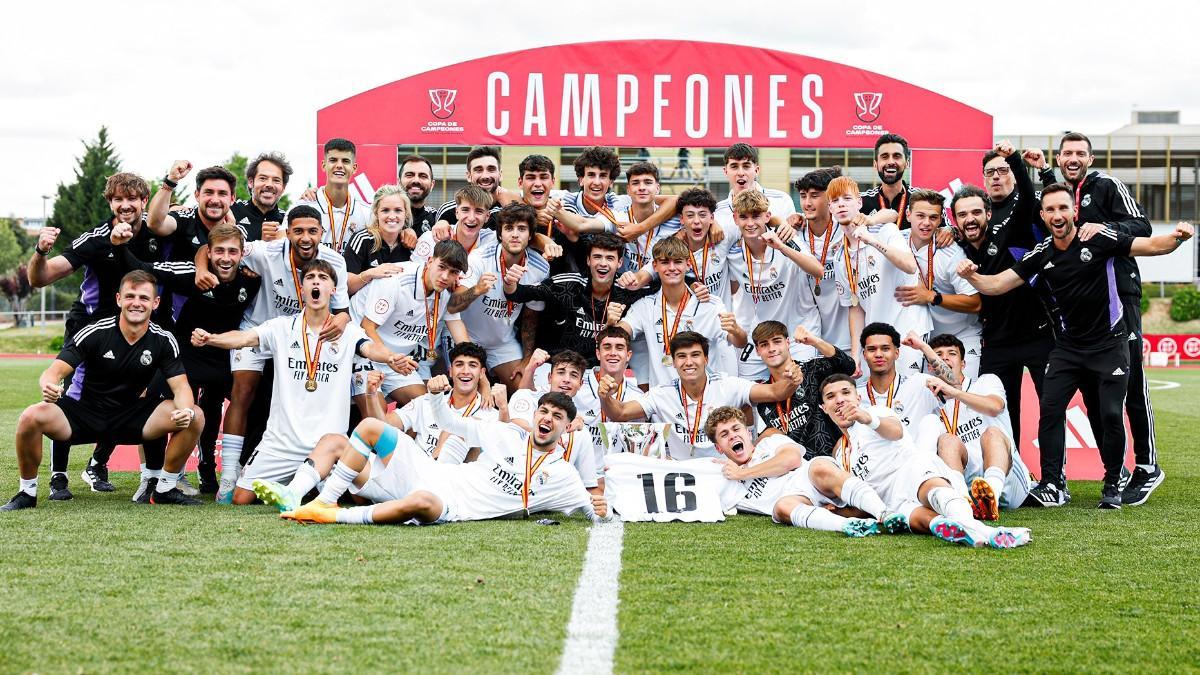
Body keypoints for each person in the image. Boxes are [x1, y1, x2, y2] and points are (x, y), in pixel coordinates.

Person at [957, 183, 1192, 509]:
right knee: (1050, 410)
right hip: (1068, 348)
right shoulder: (1042, 253)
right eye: (1050, 210)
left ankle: (1113, 483)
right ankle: (1053, 485)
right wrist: (972, 276)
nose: (1057, 215)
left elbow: (1151, 245)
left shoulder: (1098, 239)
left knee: (1110, 414)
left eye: (1062, 208)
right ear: (1043, 215)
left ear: (1073, 212)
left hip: (1110, 344)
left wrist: (1179, 236)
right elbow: (997, 284)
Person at [191, 259, 409, 506]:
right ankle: (302, 483)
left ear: (333, 290)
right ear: (302, 289)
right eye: (310, 278)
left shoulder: (348, 332)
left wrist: (390, 357)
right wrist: (212, 339)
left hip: (327, 442)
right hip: (281, 442)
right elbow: (243, 338)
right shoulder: (282, 327)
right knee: (241, 499)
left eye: (323, 278)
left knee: (363, 499)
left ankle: (309, 482)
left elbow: (369, 349)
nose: (316, 282)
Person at [1031, 132, 1161, 506]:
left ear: (1090, 157)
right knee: (1100, 397)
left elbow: (1143, 227)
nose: (1073, 158)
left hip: (1122, 296)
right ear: (1059, 158)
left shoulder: (1106, 185)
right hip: (1084, 315)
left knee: (1133, 382)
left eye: (1080, 153)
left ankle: (1148, 466)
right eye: (1067, 153)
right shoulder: (1061, 194)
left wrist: (1105, 229)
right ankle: (1113, 471)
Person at [4, 271, 204, 510]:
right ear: (119, 299)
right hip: (85, 414)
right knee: (30, 417)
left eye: (144, 297)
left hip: (132, 417)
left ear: (155, 303)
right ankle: (27, 493)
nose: (136, 303)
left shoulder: (163, 340)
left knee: (196, 416)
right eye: (130, 296)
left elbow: (181, 386)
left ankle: (165, 488)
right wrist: (49, 384)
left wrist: (185, 411)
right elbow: (54, 370)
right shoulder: (96, 332)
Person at [27, 172, 171, 500]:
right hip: (90, 331)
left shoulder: (157, 231)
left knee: (130, 399)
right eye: (118, 199)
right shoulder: (95, 238)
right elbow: (41, 278)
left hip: (136, 333)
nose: (125, 205)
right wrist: (40, 251)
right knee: (71, 399)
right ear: (110, 202)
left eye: (132, 198)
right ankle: (58, 477)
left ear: (143, 201)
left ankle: (99, 464)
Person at [273, 393, 608, 525]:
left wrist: (602, 512)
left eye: (557, 416)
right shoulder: (504, 434)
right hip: (428, 470)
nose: (547, 418)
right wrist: (434, 397)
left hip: (449, 505)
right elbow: (451, 423)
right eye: (544, 411)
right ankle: (324, 501)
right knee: (371, 427)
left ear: (566, 427)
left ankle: (334, 518)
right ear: (536, 415)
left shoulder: (563, 474)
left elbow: (594, 512)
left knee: (422, 500)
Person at [109, 222, 259, 494]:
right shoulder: (192, 274)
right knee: (154, 406)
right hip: (182, 359)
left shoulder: (252, 278)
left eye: (232, 252)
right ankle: (152, 476)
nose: (226, 258)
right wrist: (119, 247)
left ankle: (215, 473)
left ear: (242, 254)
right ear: (209, 253)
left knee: (236, 408)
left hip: (223, 358)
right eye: (219, 252)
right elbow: (141, 268)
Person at [216, 205, 351, 502]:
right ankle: (228, 476)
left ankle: (311, 468)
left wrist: (342, 319)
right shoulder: (266, 250)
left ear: (322, 234)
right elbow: (217, 245)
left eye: (312, 231)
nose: (305, 238)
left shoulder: (334, 261)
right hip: (260, 326)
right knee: (243, 390)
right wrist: (202, 266)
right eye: (298, 231)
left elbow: (342, 311)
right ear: (287, 232)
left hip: (305, 329)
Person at [818, 373, 1031, 549]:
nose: (840, 400)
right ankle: (954, 529)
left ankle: (983, 530)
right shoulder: (840, 452)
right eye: (831, 396)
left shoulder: (874, 412)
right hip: (892, 502)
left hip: (910, 471)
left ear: (857, 398)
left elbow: (896, 431)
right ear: (824, 408)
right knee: (918, 518)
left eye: (846, 393)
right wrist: (837, 512)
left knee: (931, 487)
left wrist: (867, 418)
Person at [952, 172, 1052, 448]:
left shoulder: (1009, 233)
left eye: (975, 212)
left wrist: (1016, 162)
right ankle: (1014, 474)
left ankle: (1056, 480)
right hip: (996, 343)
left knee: (1051, 408)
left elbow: (1028, 200)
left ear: (988, 213)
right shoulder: (957, 250)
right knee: (1003, 412)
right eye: (962, 215)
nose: (969, 219)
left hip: (1037, 336)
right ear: (955, 220)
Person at [597, 331, 798, 459]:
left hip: (724, 470)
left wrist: (792, 381)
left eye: (695, 355)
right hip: (681, 472)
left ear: (706, 359)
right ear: (673, 363)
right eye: (681, 357)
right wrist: (605, 397)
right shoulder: (661, 393)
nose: (689, 362)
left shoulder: (727, 384)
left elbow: (774, 391)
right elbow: (620, 413)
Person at [707, 407, 900, 537]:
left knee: (819, 467)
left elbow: (791, 459)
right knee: (782, 507)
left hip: (813, 481)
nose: (733, 436)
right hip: (799, 503)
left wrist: (743, 473)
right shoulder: (725, 476)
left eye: (736, 429)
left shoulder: (768, 443)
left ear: (748, 433)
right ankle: (847, 526)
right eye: (724, 435)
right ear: (718, 448)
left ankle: (883, 513)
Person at [503, 233, 655, 375]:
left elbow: (666, 283)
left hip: (604, 373)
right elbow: (519, 294)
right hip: (561, 369)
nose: (603, 264)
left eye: (610, 258)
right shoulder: (568, 285)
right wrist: (510, 282)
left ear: (620, 262)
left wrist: (638, 279)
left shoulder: (629, 290)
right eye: (597, 257)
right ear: (588, 260)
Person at [350, 240, 472, 409]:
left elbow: (459, 330)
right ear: (430, 260)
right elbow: (367, 327)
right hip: (364, 354)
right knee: (380, 420)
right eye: (442, 267)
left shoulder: (446, 292)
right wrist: (390, 357)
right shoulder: (396, 281)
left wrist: (481, 376)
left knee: (429, 412)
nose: (445, 277)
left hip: (398, 360)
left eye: (453, 272)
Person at [922, 334, 1031, 521]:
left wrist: (955, 392)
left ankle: (992, 497)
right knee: (947, 439)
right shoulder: (928, 401)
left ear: (963, 364)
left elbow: (994, 407)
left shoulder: (986, 381)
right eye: (938, 354)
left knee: (992, 433)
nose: (945, 358)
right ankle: (960, 497)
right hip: (968, 485)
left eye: (952, 353)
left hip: (1009, 481)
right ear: (931, 366)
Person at [825, 175, 927, 375]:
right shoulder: (839, 256)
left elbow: (909, 266)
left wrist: (871, 240)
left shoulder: (885, 231)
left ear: (859, 202)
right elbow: (855, 308)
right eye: (835, 201)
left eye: (846, 198)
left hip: (908, 334)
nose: (841, 205)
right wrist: (855, 356)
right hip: (877, 342)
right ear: (830, 208)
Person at [618, 238, 742, 387]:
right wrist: (612, 323)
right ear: (655, 266)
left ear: (688, 265)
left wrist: (736, 330)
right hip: (665, 400)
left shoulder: (710, 303)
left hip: (705, 396)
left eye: (677, 262)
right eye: (665, 262)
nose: (671, 268)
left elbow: (739, 342)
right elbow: (617, 334)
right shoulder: (645, 306)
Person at [726, 189, 823, 379]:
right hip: (758, 336)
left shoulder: (785, 237)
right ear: (735, 218)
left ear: (767, 216)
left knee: (802, 392)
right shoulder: (732, 251)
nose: (751, 223)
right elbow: (731, 288)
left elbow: (817, 270)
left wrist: (781, 247)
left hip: (798, 332)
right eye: (744, 217)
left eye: (756, 216)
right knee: (749, 396)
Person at [457, 203, 550, 386]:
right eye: (509, 228)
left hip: (502, 343)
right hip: (467, 338)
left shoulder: (540, 267)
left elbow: (531, 317)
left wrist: (526, 358)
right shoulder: (479, 258)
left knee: (525, 389)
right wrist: (475, 290)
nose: (515, 234)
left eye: (522, 229)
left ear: (531, 235)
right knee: (470, 390)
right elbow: (453, 305)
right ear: (499, 234)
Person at [895, 189, 982, 377]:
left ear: (940, 220)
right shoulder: (896, 241)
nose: (926, 223)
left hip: (961, 335)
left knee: (962, 394)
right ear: (908, 215)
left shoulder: (951, 252)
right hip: (924, 338)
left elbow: (975, 303)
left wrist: (930, 297)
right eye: (920, 216)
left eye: (933, 217)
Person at [751, 322, 855, 458]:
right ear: (757, 350)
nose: (771, 349)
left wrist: (815, 341)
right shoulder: (762, 395)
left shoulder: (811, 369)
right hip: (797, 472)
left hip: (835, 458)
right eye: (764, 344)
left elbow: (848, 366)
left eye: (777, 342)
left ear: (787, 343)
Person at [506, 351, 600, 492]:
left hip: (555, 490)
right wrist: (561, 429)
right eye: (561, 372)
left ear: (580, 384)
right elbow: (515, 428)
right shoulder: (526, 396)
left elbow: (590, 486)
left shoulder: (580, 427)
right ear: (550, 378)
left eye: (573, 375)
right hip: (513, 478)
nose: (566, 379)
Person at [389, 342, 498, 464]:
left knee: (462, 430)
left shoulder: (492, 416)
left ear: (482, 373)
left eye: (472, 365)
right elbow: (386, 425)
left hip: (453, 478)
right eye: (459, 365)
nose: (465, 371)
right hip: (415, 471)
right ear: (450, 371)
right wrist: (371, 393)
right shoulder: (426, 401)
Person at [792, 167, 850, 352]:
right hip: (810, 333)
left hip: (846, 331)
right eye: (803, 196)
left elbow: (890, 216)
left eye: (815, 195)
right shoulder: (795, 232)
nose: (807, 203)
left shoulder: (847, 228)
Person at [856, 323, 948, 435]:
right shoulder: (855, 395)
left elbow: (955, 385)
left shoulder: (919, 384)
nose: (878, 354)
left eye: (885, 349)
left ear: (896, 353)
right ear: (864, 355)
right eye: (872, 349)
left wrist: (924, 347)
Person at [145, 162, 238, 266]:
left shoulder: (238, 229)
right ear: (197, 195)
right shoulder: (184, 219)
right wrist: (170, 183)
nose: (215, 200)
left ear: (232, 198)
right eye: (209, 192)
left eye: (222, 194)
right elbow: (154, 224)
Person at [298, 138, 372, 253]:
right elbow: (283, 240)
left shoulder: (367, 213)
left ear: (354, 168)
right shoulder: (303, 206)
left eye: (345, 161)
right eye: (333, 160)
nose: (339, 165)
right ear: (323, 165)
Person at [343, 185, 416, 296]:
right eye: (385, 210)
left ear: (405, 214)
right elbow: (345, 288)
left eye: (398, 210)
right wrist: (370, 274)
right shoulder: (362, 239)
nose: (392, 216)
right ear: (377, 213)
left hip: (399, 311)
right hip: (362, 310)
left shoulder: (410, 243)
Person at [714, 143, 796, 226]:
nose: (741, 173)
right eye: (734, 166)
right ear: (725, 171)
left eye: (746, 166)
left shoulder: (781, 201)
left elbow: (798, 235)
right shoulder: (717, 212)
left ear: (756, 170)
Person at [859, 134, 920, 229]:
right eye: (884, 156)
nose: (891, 162)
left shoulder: (922, 200)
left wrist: (948, 230)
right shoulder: (860, 202)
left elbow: (947, 228)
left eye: (897, 156)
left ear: (907, 163)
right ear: (875, 164)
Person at [232, 152, 291, 242]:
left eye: (276, 180)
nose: (269, 184)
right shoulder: (232, 211)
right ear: (251, 182)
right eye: (263, 178)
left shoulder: (288, 221)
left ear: (283, 188)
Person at [398, 154, 438, 235]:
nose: (416, 180)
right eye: (409, 175)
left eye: (423, 176)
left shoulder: (437, 218)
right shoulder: (385, 217)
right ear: (398, 182)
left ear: (432, 185)